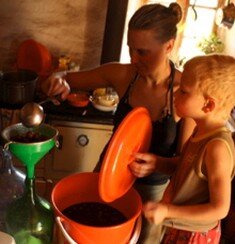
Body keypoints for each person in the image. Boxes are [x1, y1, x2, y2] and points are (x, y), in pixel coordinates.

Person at [41, 3, 195, 243]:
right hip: (106, 178)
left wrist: (157, 163)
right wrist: (58, 81)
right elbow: (64, 78)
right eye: (130, 49)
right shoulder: (123, 76)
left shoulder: (185, 93)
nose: (133, 59)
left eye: (142, 52)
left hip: (152, 196)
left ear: (169, 46)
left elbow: (186, 165)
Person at [130, 54, 235, 243]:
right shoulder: (199, 131)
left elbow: (220, 208)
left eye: (184, 91)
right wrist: (158, 163)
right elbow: (189, 168)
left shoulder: (217, 147)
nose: (175, 94)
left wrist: (168, 210)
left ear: (208, 105)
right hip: (179, 225)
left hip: (195, 235)